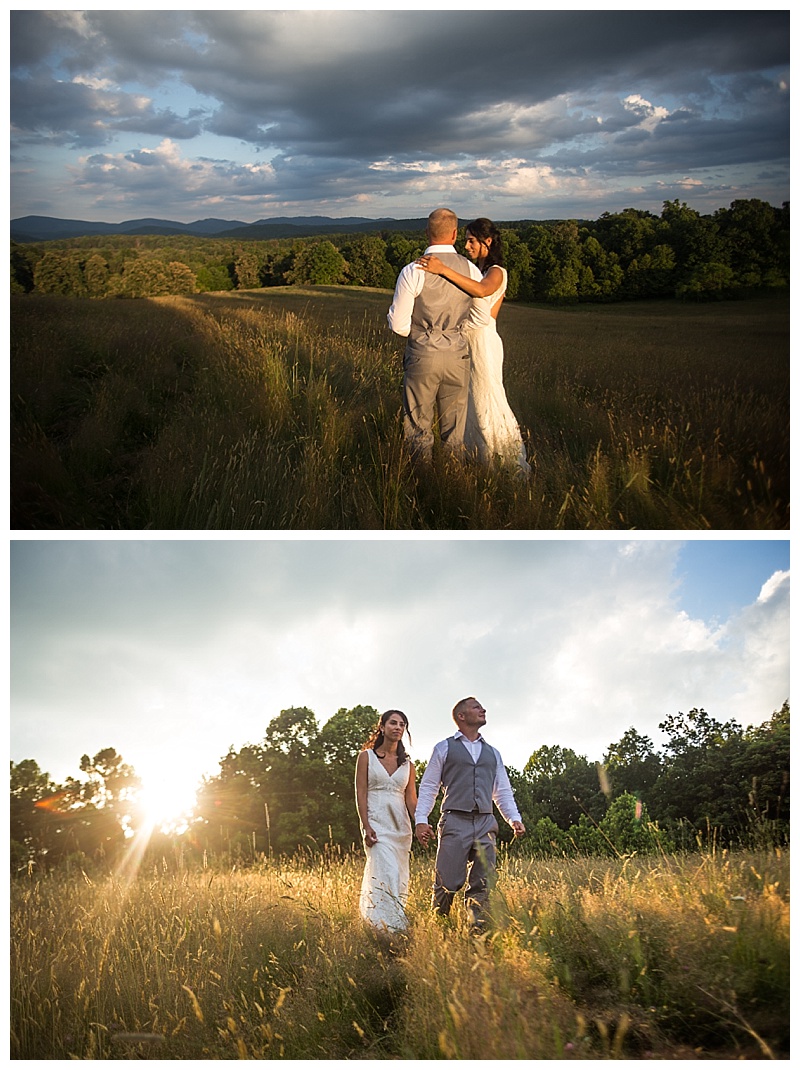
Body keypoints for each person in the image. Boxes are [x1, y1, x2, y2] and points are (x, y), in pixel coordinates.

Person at [416, 218, 531, 476]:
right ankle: (476, 458)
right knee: (467, 402)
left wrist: (443, 269)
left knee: (486, 398)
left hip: (483, 342)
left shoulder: (496, 271)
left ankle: (504, 458)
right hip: (463, 340)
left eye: (471, 240)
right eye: (465, 239)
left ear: (487, 241)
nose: (466, 246)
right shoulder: (474, 267)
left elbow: (480, 291)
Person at [415, 697, 525, 929]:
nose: (483, 709)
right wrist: (421, 820)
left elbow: (502, 790)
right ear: (461, 716)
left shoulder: (493, 753)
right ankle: (439, 927)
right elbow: (428, 787)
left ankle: (477, 933)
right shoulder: (444, 748)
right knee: (448, 881)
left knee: (483, 882)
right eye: (477, 707)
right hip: (455, 819)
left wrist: (514, 819)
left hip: (486, 821)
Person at [387, 208, 483, 463]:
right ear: (454, 234)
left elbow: (399, 325)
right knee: (454, 428)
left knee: (418, 425)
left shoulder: (412, 271)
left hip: (422, 353)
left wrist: (422, 336)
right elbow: (480, 316)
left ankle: (423, 482)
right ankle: (453, 478)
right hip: (457, 354)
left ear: (427, 233)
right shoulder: (471, 270)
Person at [355, 709, 417, 934]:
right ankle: (386, 929)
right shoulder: (366, 757)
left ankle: (389, 924)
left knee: (399, 876)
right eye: (393, 723)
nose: (398, 727)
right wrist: (366, 825)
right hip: (376, 826)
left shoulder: (408, 765)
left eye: (402, 724)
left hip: (401, 828)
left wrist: (421, 824)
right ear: (382, 727)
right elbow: (360, 794)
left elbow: (411, 800)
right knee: (385, 871)